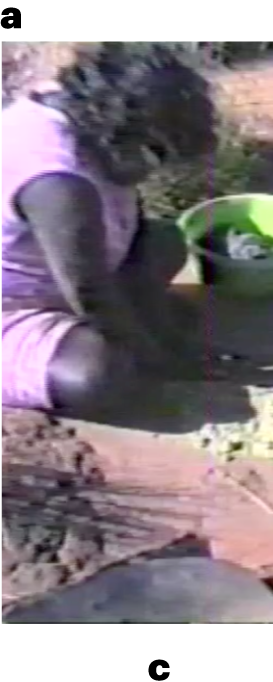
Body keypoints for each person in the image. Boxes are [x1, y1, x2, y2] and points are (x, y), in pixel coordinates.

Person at [1, 43, 217, 416]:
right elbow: (89, 290)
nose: (153, 174)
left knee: (166, 242)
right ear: (123, 133)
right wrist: (155, 355)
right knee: (96, 376)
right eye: (156, 158)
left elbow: (132, 225)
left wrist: (149, 320)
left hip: (60, 273)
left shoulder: (80, 115)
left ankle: (120, 329)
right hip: (13, 306)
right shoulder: (57, 185)